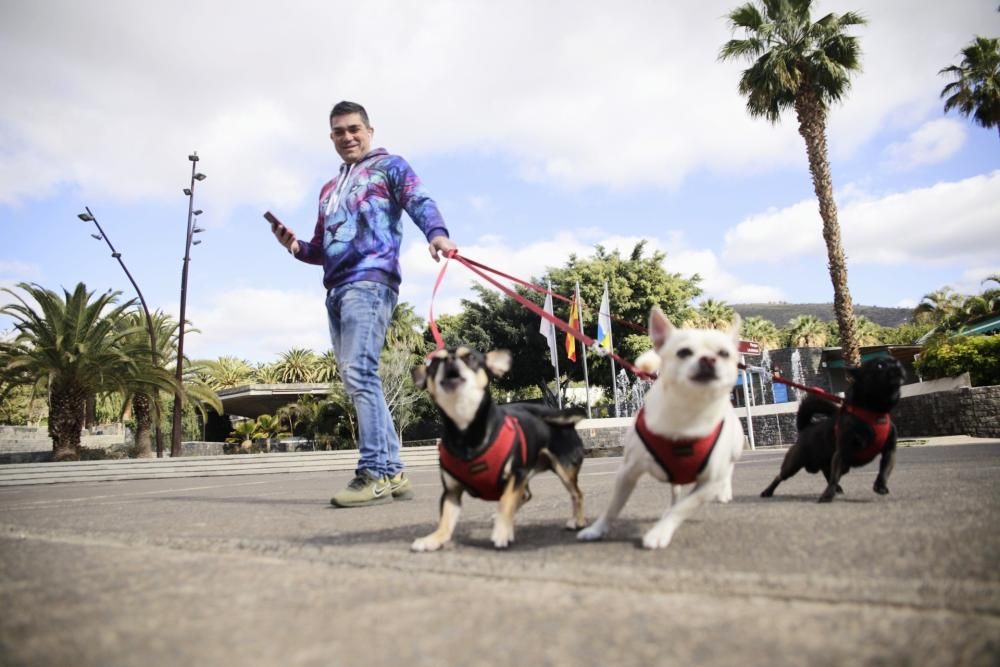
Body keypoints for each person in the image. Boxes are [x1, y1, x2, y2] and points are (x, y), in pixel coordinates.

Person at [271, 100, 456, 508]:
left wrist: (437, 234)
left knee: (360, 374)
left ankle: (372, 472)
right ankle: (393, 472)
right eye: (338, 131)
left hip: (369, 283)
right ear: (331, 137)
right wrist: (296, 246)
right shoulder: (328, 190)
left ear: (369, 131)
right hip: (335, 289)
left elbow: (418, 200)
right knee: (361, 379)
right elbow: (322, 247)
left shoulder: (390, 166)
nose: (347, 137)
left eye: (354, 129)